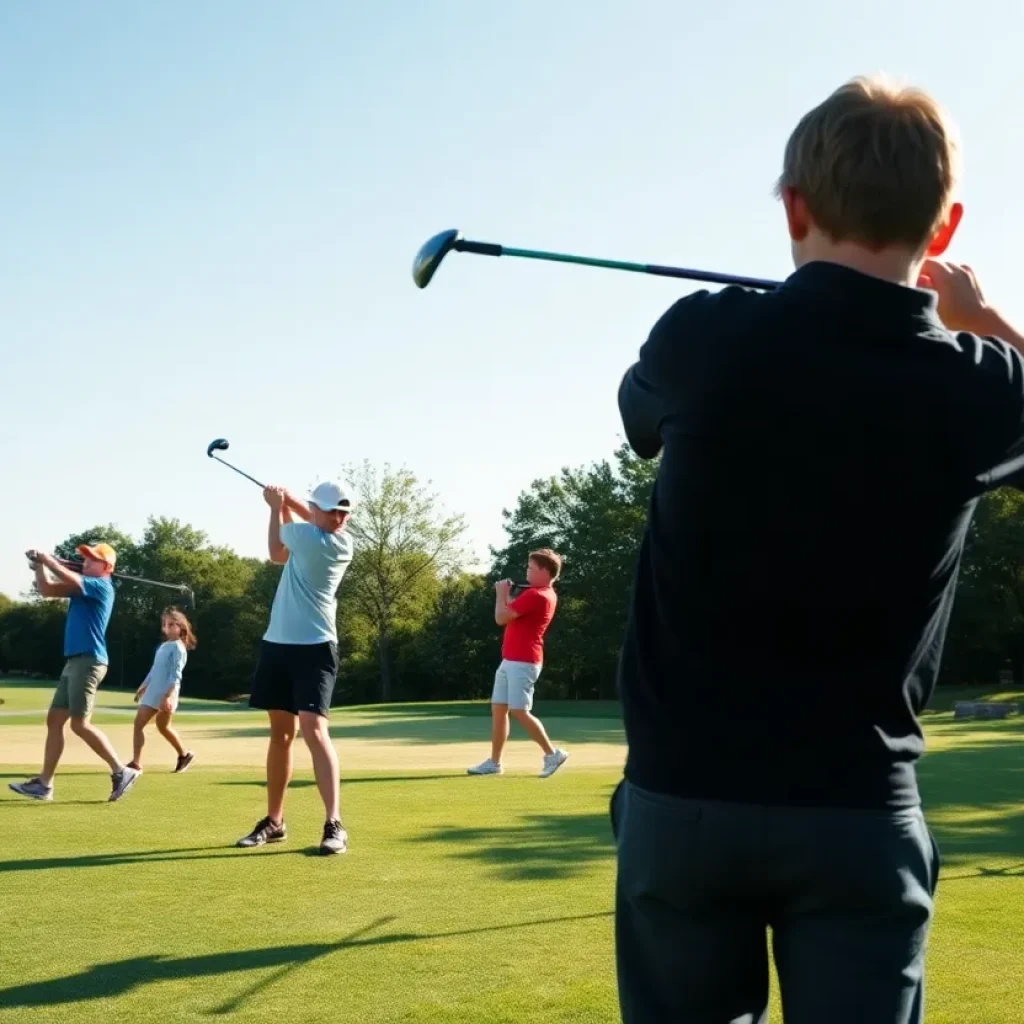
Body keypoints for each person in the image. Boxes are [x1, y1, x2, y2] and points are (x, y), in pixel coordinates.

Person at [612, 75, 1024, 1024]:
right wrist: (983, 320)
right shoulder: (979, 388)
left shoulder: (702, 334)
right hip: (857, 811)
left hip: (685, 801)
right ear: (946, 226)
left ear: (794, 206)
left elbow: (641, 413)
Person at [236, 481, 354, 856]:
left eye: (343, 512)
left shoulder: (328, 543)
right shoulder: (312, 536)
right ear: (318, 509)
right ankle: (274, 821)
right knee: (280, 734)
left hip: (315, 648)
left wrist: (275, 506)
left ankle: (334, 823)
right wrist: (289, 503)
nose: (338, 518)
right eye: (332, 510)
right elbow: (300, 535)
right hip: (279, 644)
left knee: (314, 730)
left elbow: (275, 552)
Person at [9, 543, 140, 803]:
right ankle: (44, 785)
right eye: (85, 559)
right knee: (55, 720)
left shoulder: (100, 586)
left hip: (89, 660)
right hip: (75, 661)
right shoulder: (83, 587)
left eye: (92, 560)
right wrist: (39, 568)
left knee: (80, 724)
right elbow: (46, 590)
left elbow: (70, 576)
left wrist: (48, 560)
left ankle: (121, 771)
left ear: (107, 567)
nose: (86, 562)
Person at [467, 548, 569, 778]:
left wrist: (500, 593)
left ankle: (552, 754)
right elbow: (514, 608)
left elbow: (501, 617)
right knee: (499, 709)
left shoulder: (538, 595)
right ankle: (494, 763)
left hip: (523, 660)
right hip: (511, 659)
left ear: (544, 571)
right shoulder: (539, 593)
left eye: (531, 568)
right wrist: (508, 597)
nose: (528, 571)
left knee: (519, 711)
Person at [127, 607, 197, 775]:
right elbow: (154, 670)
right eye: (167, 624)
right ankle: (184, 755)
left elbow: (176, 676)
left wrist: (167, 696)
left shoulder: (178, 648)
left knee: (146, 725)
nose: (170, 627)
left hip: (166, 694)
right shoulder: (164, 646)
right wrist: (143, 687)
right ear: (163, 627)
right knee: (157, 727)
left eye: (174, 624)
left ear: (181, 627)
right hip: (153, 692)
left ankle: (137, 763)